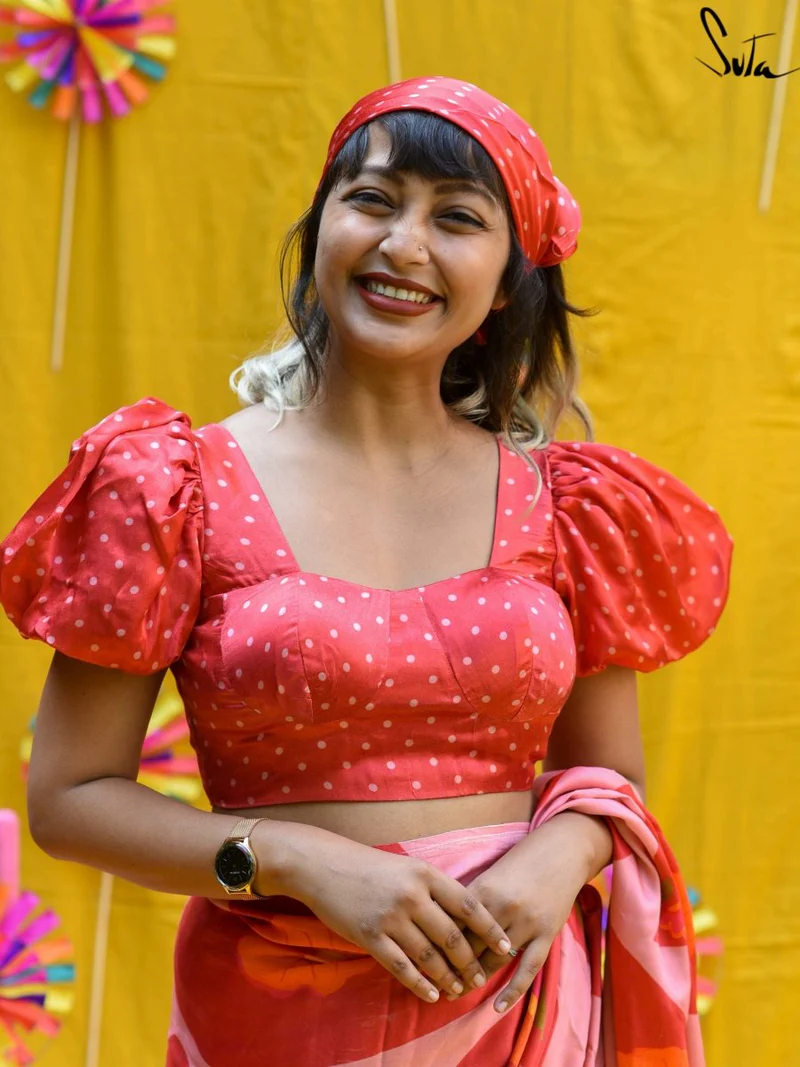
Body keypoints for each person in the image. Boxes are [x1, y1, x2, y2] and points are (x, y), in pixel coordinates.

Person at [0, 77, 732, 1066]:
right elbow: (70, 796)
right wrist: (294, 858)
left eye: (456, 218)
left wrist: (558, 856)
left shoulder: (566, 506)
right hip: (273, 1011)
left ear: (506, 282)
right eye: (373, 200)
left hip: (519, 1008)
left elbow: (608, 779)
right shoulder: (175, 488)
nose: (403, 244)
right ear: (319, 234)